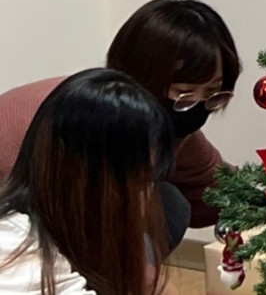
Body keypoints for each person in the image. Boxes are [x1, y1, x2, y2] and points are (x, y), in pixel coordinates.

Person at [0, 0, 240, 247]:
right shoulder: (78, 124)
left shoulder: (167, 124)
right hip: (21, 223)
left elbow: (214, 184)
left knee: (168, 205)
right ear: (143, 77)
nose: (198, 106)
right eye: (184, 93)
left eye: (213, 92)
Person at [0, 68, 176, 295]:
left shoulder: (45, 229)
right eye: (141, 180)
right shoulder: (24, 263)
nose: (147, 194)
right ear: (90, 180)